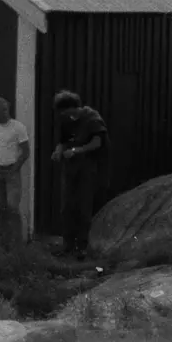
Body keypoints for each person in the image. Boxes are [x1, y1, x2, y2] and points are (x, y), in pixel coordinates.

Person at [50, 89, 108, 260]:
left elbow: (98, 142)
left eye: (65, 112)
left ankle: (83, 246)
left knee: (83, 206)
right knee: (67, 206)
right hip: (70, 167)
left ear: (72, 108)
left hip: (87, 167)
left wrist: (76, 150)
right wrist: (58, 151)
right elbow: (62, 141)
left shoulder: (92, 118)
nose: (63, 116)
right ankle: (67, 244)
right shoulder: (65, 121)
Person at [0, 96, 30, 248]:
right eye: (1, 110)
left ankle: (18, 243)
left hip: (12, 172)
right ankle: (2, 243)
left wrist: (14, 169)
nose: (5, 112)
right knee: (0, 208)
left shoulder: (18, 127)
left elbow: (26, 152)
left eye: (6, 108)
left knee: (13, 208)